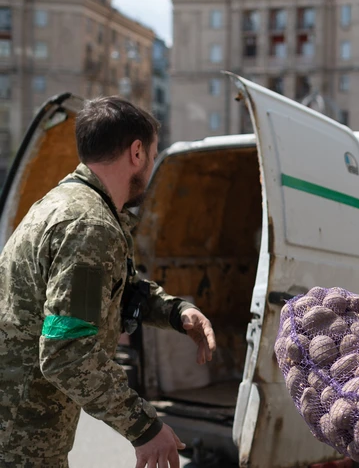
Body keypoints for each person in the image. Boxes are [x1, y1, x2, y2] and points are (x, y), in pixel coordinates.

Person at [0, 96, 217, 468]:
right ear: (136, 152)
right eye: (153, 155)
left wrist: (176, 311)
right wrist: (144, 428)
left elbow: (117, 291)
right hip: (21, 443)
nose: (151, 166)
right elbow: (66, 350)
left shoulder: (67, 204)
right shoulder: (89, 226)